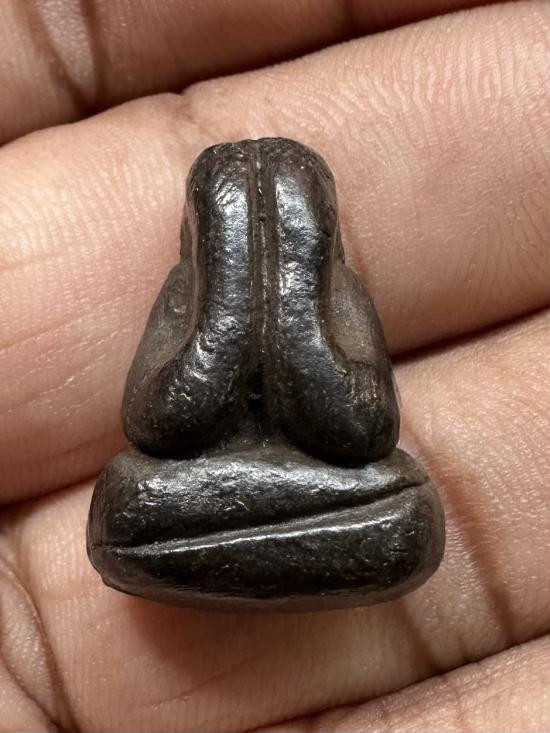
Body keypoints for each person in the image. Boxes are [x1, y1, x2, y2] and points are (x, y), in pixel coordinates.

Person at [0, 1, 548, 731]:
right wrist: (225, 312)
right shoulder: (185, 290)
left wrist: (298, 316)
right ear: (201, 234)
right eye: (231, 231)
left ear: (321, 229)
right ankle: (275, 535)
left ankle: (245, 542)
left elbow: (364, 426)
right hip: (204, 495)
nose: (261, 235)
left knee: (408, 518)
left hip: (323, 483)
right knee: (128, 504)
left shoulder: (339, 292)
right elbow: (159, 420)